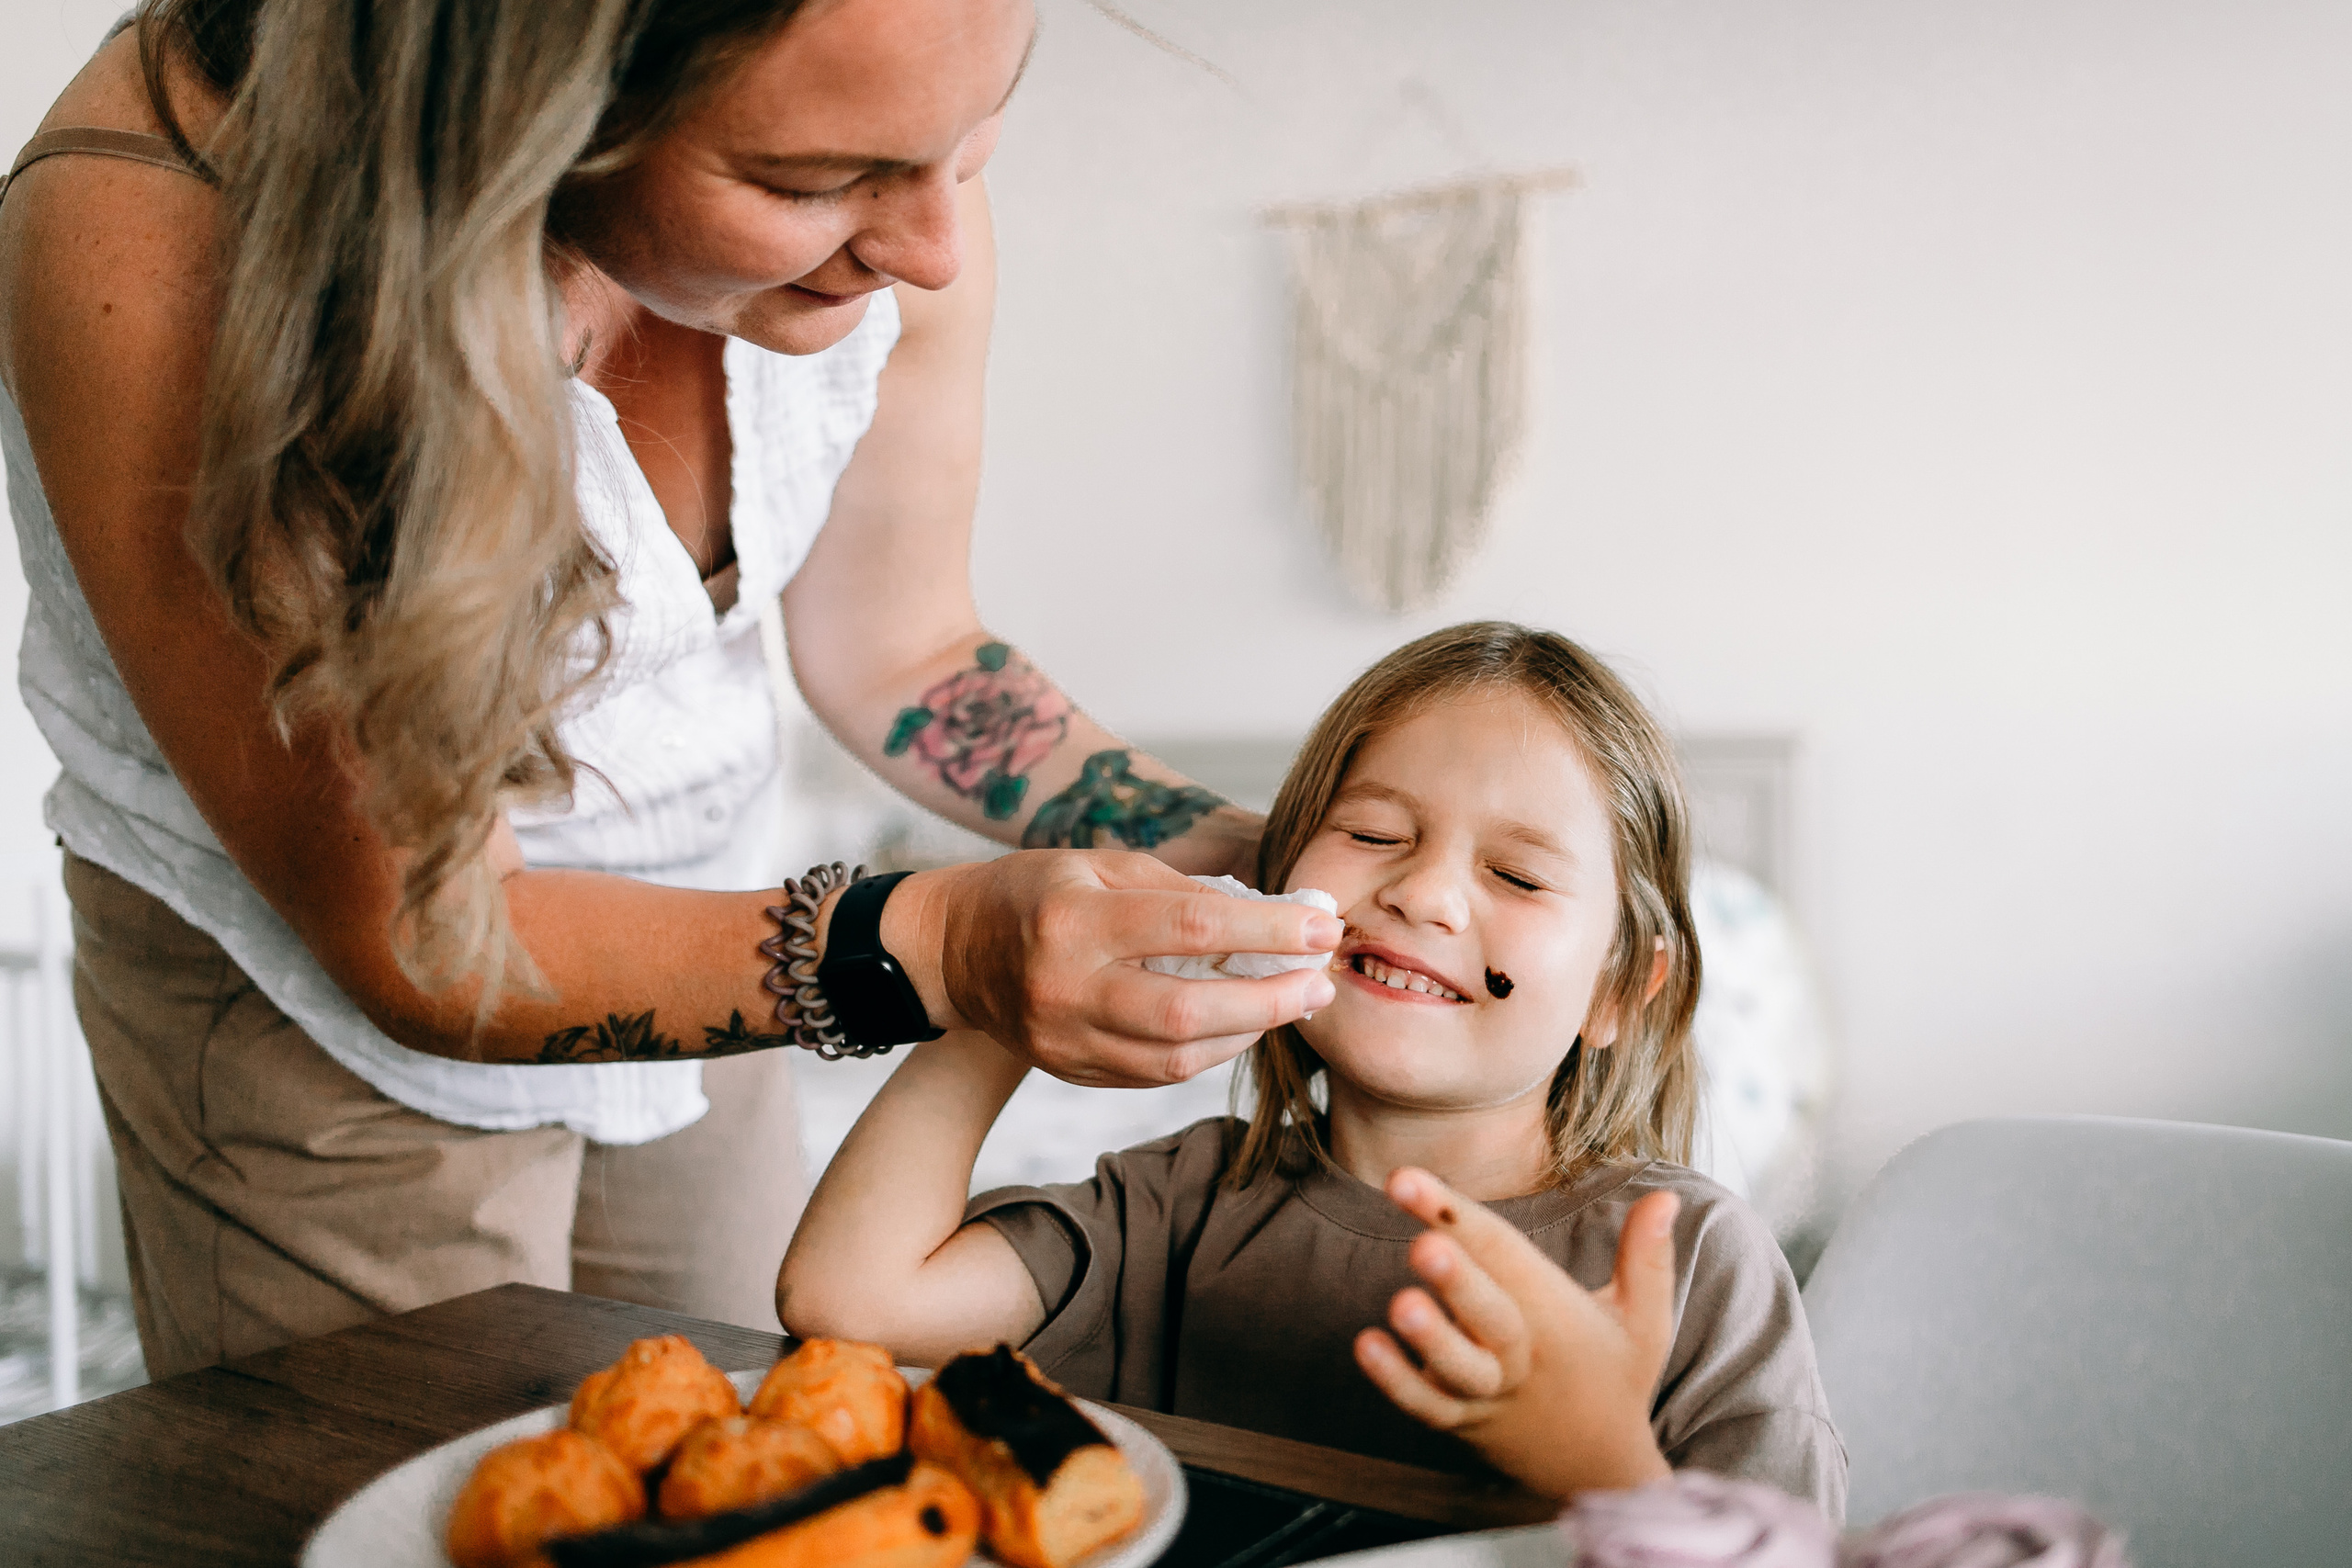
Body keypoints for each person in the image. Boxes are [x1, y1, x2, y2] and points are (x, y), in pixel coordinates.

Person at [0, 0, 1338, 1379]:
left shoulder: (903, 189)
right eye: (812, 183)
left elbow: (904, 650)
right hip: (317, 1017)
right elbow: (431, 932)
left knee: (738, 1441)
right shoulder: (156, 252)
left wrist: (1244, 847)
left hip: (728, 927)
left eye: (974, 134)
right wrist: (935, 944)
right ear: (540, 106)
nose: (934, 246)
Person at [779, 622, 1847, 1516]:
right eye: (1373, 833)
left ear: (1621, 989)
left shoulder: (1687, 1265)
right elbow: (850, 1302)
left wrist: (1601, 1464)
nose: (1424, 895)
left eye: (1517, 874)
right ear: (1280, 881)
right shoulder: (1178, 1206)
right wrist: (998, 987)